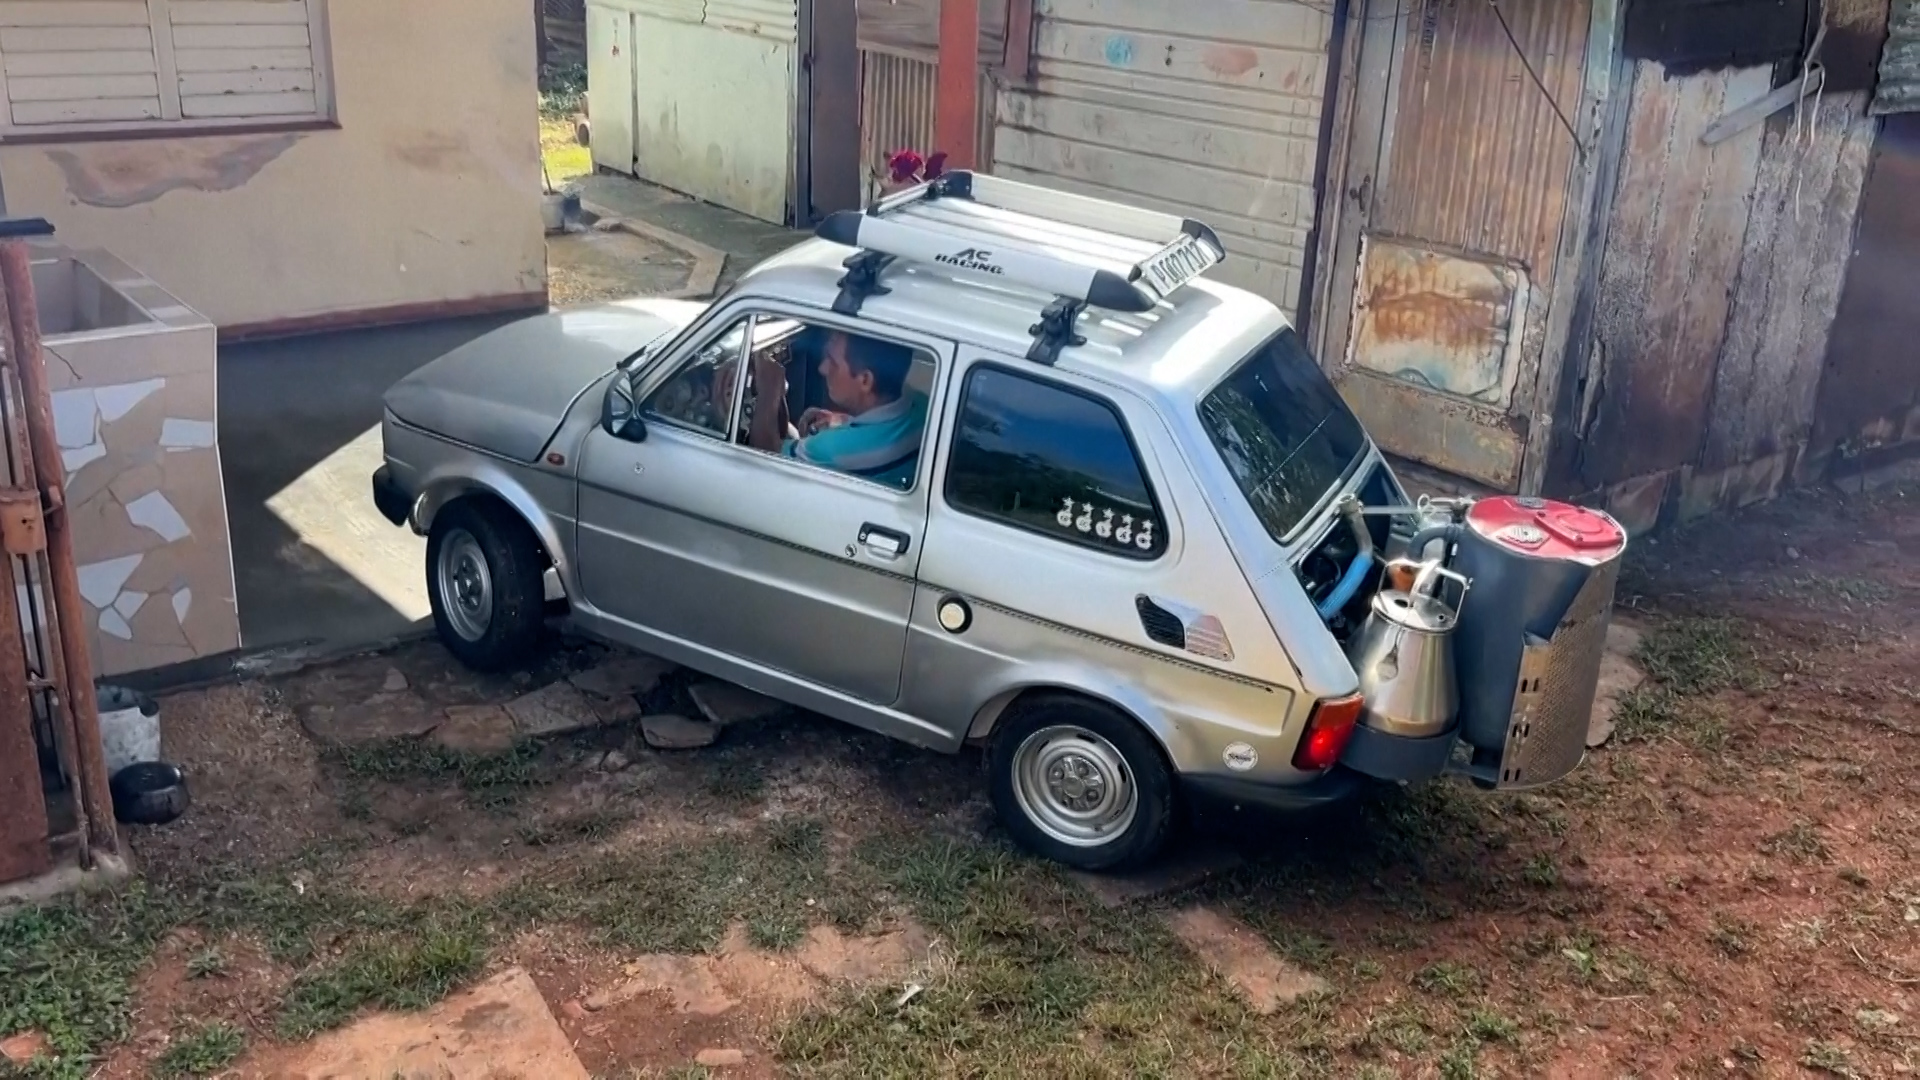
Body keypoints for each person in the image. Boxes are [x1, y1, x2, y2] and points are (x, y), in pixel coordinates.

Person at [747, 329, 926, 489]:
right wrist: (843, 421)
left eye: (832, 361)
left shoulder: (832, 449)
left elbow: (765, 455)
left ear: (865, 380)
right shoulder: (924, 408)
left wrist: (769, 390)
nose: (822, 368)